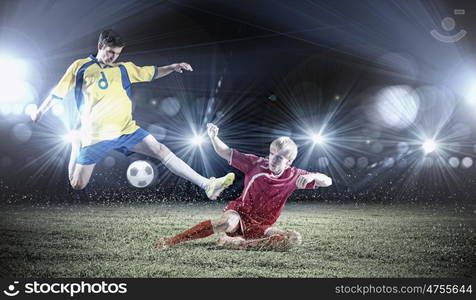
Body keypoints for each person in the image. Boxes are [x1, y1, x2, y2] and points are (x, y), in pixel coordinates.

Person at [31, 29, 234, 200]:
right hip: (94, 136)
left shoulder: (124, 69)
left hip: (126, 129)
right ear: (100, 45)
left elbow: (152, 72)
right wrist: (40, 111)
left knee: (160, 149)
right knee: (78, 184)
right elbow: (59, 92)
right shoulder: (80, 67)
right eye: (110, 52)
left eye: (117, 53)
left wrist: (173, 67)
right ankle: (76, 145)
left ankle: (207, 184)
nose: (113, 57)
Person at [155, 123, 333, 251]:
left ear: (289, 161)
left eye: (279, 157)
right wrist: (214, 137)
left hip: (263, 225)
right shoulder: (255, 163)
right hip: (239, 213)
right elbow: (226, 153)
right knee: (226, 222)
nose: (273, 159)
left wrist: (314, 176)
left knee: (293, 239)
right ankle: (171, 241)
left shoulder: (294, 175)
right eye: (272, 154)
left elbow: (328, 181)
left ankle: (235, 243)